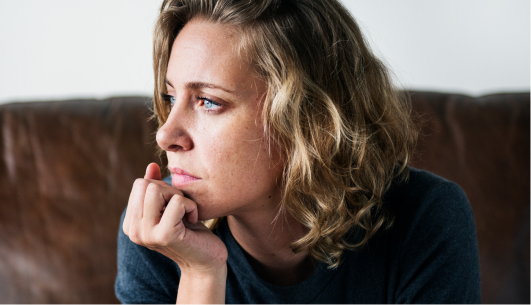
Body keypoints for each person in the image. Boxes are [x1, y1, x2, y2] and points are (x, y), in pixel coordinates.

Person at [115, 0, 481, 303]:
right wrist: (200, 273)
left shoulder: (425, 218)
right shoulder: (157, 234)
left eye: (208, 101)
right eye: (170, 97)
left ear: (308, 119)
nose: (165, 134)